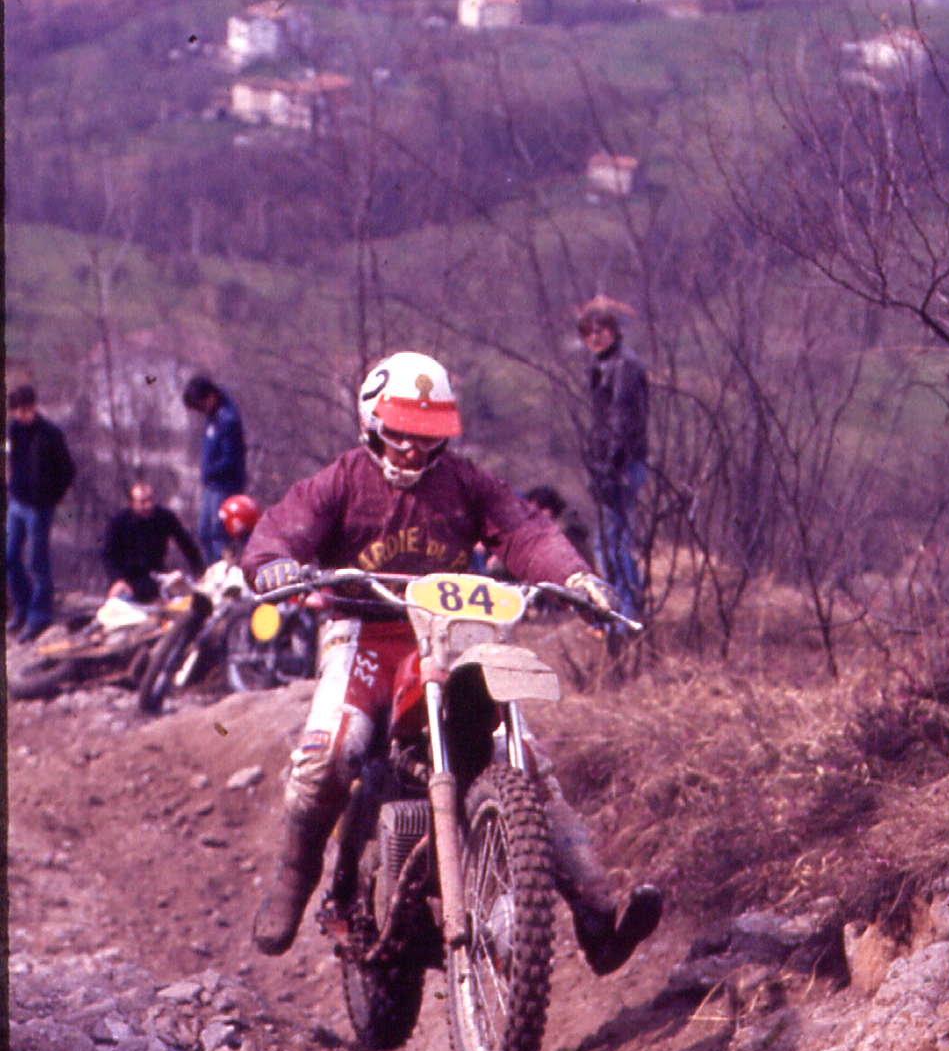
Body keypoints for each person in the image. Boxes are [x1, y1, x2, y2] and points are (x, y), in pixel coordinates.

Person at [242, 348, 663, 969]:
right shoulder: (341, 480)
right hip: (365, 633)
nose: (414, 450)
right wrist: (275, 562)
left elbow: (525, 531)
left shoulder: (466, 483)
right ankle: (296, 878)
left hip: (447, 634)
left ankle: (597, 918)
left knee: (527, 763)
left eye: (428, 436)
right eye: (401, 434)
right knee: (331, 753)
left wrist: (576, 578)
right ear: (371, 422)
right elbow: (285, 525)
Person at [576, 295, 649, 624]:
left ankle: (624, 618)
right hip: (608, 462)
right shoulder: (601, 365)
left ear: (613, 330)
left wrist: (611, 465)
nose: (594, 337)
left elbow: (624, 418)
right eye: (587, 332)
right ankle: (619, 615)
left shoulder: (624, 366)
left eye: (600, 330)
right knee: (610, 541)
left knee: (615, 543)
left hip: (622, 463)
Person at [6, 382, 76, 642]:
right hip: (16, 503)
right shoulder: (13, 429)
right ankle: (22, 608)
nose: (22, 415)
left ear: (34, 407)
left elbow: (68, 471)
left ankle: (38, 616)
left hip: (39, 508)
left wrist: (49, 498)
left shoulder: (50, 434)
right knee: (10, 556)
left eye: (26, 410)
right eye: (17, 411)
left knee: (37, 562)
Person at [102, 479, 205, 602]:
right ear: (132, 503)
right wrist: (117, 580)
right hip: (127, 579)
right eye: (142, 502)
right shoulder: (119, 522)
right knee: (121, 601)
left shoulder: (164, 517)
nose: (148, 506)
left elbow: (187, 544)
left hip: (155, 577)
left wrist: (200, 573)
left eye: (150, 500)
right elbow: (107, 555)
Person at [182, 375, 248, 564]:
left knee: (218, 533)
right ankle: (211, 568)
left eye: (200, 405)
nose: (200, 411)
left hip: (225, 485)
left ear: (210, 397)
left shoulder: (227, 419)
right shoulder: (213, 415)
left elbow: (231, 458)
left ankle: (222, 569)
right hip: (211, 485)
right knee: (204, 532)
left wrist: (210, 471)